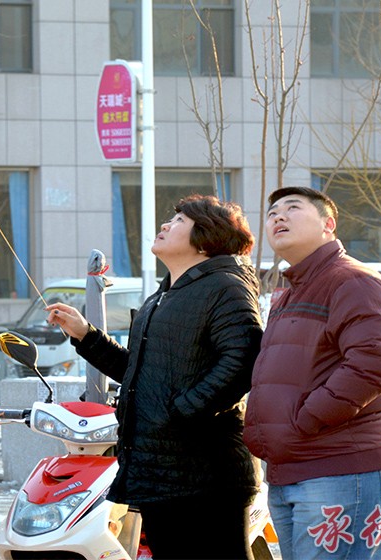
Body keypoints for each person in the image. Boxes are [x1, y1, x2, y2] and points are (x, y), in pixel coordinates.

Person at [46, 194, 263, 559]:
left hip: (207, 474)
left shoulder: (226, 286)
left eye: (179, 221)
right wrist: (86, 335)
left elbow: (244, 359)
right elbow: (141, 373)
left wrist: (181, 412)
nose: (166, 225)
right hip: (160, 472)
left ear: (206, 238)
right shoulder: (164, 295)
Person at [243, 186, 381, 560]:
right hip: (293, 469)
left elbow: (375, 362)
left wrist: (308, 418)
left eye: (293, 208)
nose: (279, 217)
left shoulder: (353, 280)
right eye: (272, 213)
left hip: (341, 468)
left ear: (328, 224)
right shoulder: (291, 293)